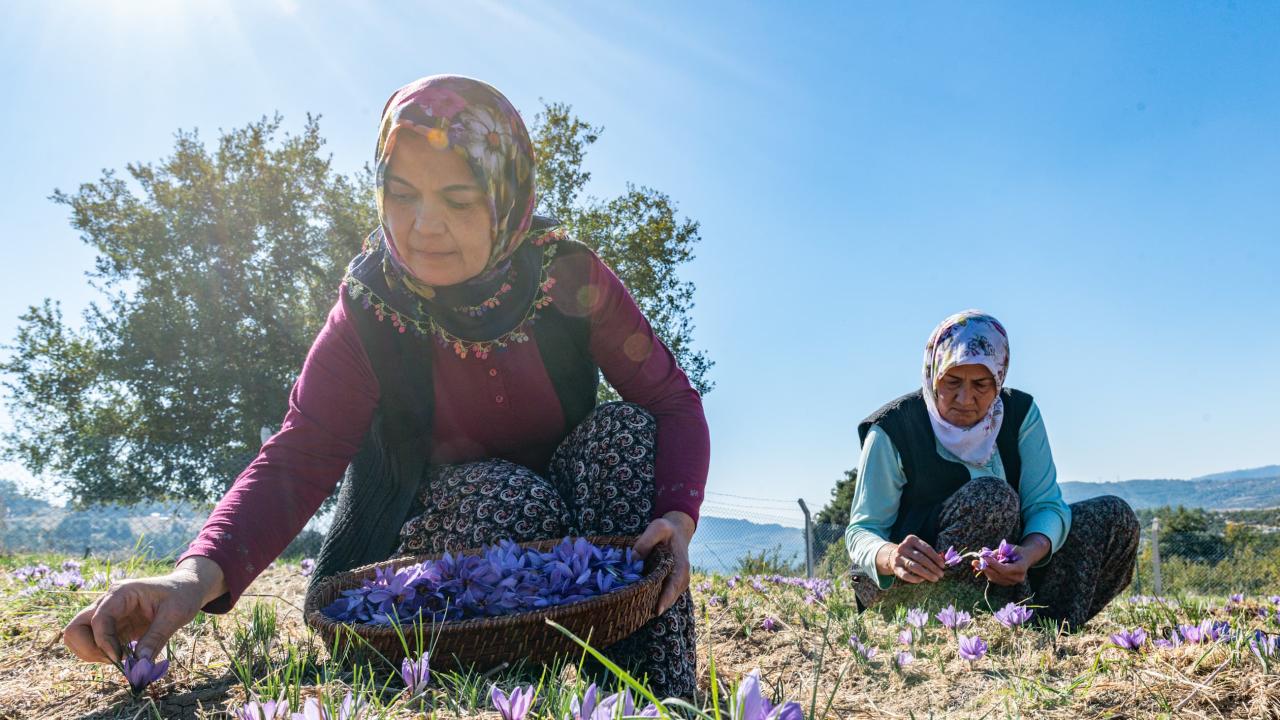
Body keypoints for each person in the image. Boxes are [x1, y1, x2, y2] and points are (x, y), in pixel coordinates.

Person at [61, 75, 709, 697]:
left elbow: (673, 402)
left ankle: (646, 695)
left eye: (458, 199)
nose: (424, 224)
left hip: (567, 540)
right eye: (403, 194)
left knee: (625, 434)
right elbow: (299, 454)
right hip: (420, 544)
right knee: (516, 501)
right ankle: (476, 684)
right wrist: (188, 580)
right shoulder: (373, 310)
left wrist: (677, 520)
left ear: (507, 197)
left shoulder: (569, 277)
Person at [845, 310, 1138, 629]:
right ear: (933, 374)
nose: (965, 398)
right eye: (952, 381)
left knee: (1114, 518)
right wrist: (891, 556)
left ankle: (1037, 627)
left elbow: (1046, 505)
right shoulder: (895, 428)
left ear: (999, 378)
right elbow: (862, 531)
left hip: (1011, 577)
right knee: (992, 498)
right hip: (911, 584)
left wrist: (1027, 554)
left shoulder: (1020, 416)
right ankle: (942, 625)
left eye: (981, 384)